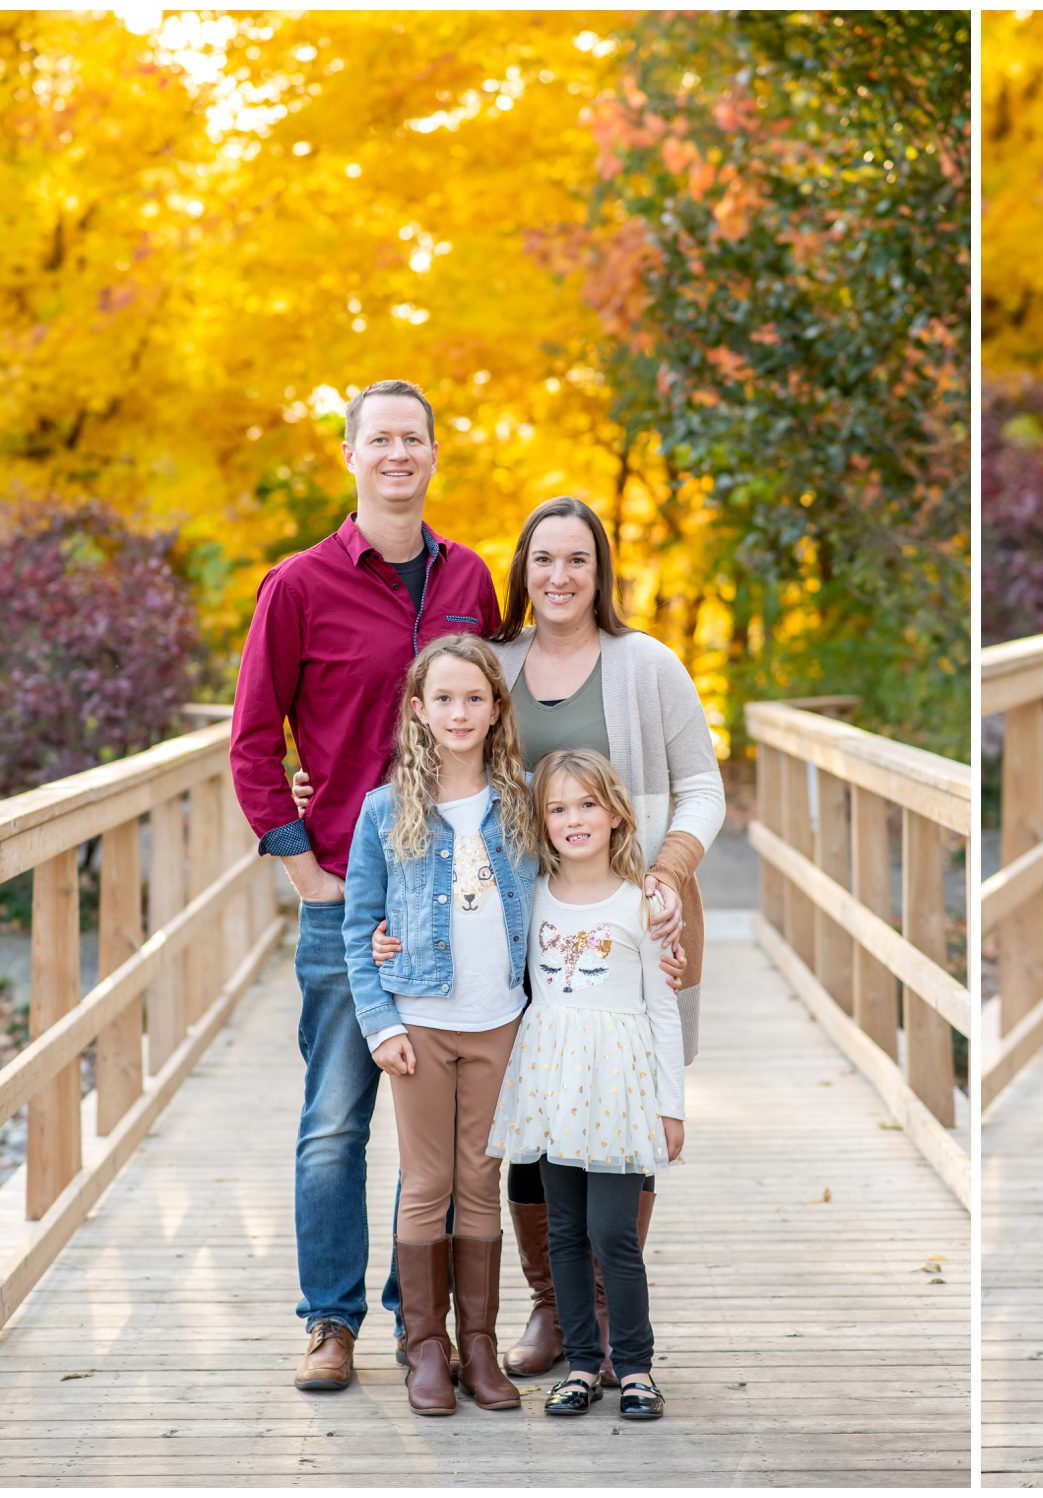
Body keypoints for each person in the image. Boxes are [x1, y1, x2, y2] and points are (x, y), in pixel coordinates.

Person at [303, 494, 723, 1383]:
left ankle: (607, 1316)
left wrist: (665, 878)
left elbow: (702, 788)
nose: (560, 576)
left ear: (600, 571)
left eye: (578, 560)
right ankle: (552, 1307)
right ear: (521, 573)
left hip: (629, 922)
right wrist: (386, 912)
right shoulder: (497, 666)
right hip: (518, 939)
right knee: (535, 1118)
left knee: (619, 1100)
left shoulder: (646, 666)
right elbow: (434, 764)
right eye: (543, 560)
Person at [229, 379, 500, 1391]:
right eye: (378, 438)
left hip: (464, 902)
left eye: (413, 438)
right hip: (352, 898)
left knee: (441, 1134)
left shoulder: (471, 575)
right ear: (349, 456)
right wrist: (306, 870)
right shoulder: (295, 586)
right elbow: (253, 742)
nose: (398, 453)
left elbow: (499, 716)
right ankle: (329, 1320)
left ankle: (414, 1320)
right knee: (337, 1118)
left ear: (433, 454)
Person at [343, 634, 538, 1415]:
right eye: (444, 699)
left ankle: (480, 1346)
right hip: (420, 1023)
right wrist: (379, 1021)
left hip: (500, 1022)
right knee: (426, 1184)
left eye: (475, 699)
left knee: (480, 1180)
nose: (460, 712)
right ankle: (427, 1348)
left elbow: (560, 894)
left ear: (496, 710)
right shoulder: (386, 811)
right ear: (418, 712)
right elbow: (361, 927)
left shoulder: (523, 799)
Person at [487, 748, 686, 1420]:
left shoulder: (644, 904)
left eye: (588, 805)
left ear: (615, 814)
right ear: (540, 822)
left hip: (617, 1090)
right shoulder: (532, 894)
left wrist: (670, 1106)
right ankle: (579, 1364)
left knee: (613, 1234)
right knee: (564, 1232)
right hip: (550, 1082)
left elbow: (662, 1010)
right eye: (558, 808)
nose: (574, 819)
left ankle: (632, 1366)